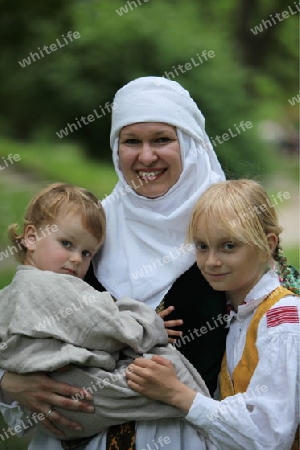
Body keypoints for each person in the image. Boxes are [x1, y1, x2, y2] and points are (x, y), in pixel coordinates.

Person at [0, 76, 228, 449]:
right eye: (131, 141)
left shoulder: (226, 232)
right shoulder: (89, 230)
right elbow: (15, 312)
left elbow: (275, 325)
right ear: (115, 147)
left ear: (190, 143)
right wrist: (9, 382)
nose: (146, 156)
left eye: (162, 139)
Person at [0, 182, 212, 443]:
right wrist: (148, 324)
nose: (77, 259)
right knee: (165, 368)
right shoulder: (45, 284)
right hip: (73, 393)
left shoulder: (9, 293)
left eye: (87, 252)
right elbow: (105, 328)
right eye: (67, 243)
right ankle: (202, 416)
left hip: (62, 410)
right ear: (31, 237)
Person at [126, 179, 300, 450]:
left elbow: (269, 436)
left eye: (229, 246)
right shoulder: (235, 313)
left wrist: (177, 393)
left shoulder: (282, 320)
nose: (211, 262)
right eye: (202, 246)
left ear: (268, 244)